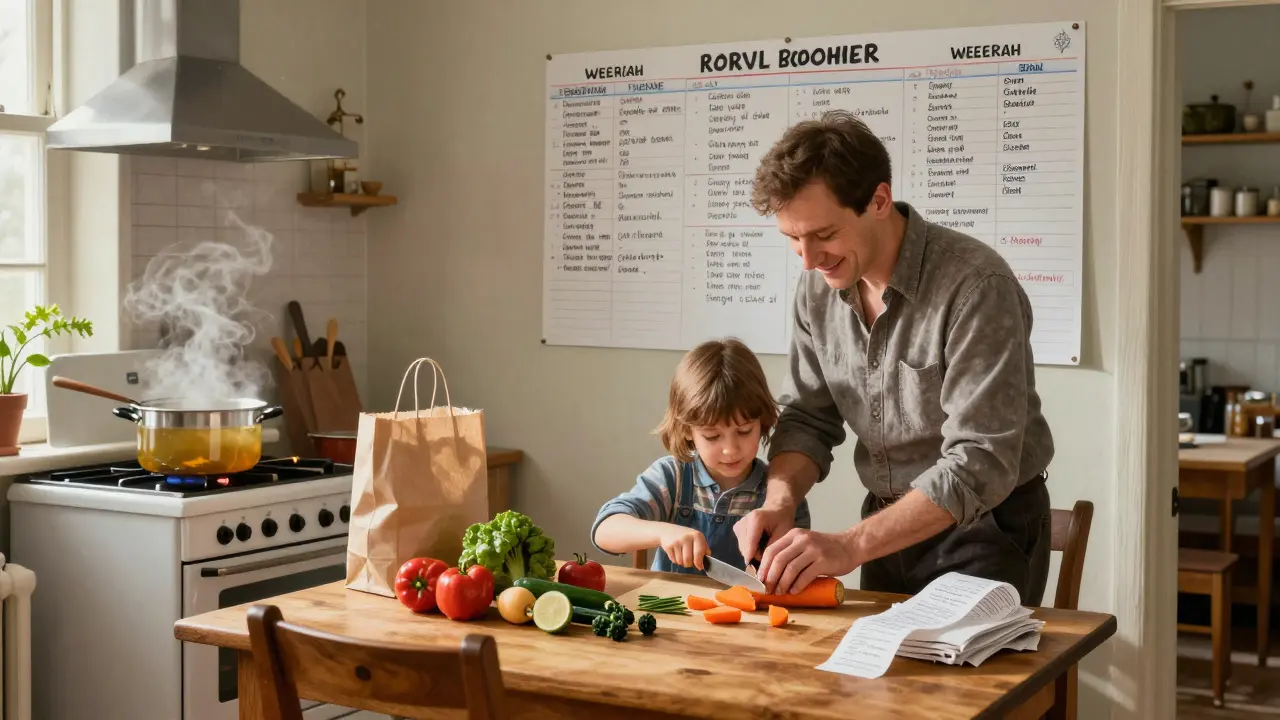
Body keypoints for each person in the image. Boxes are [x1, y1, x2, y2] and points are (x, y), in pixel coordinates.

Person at [734, 110, 1055, 603]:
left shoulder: (976, 286)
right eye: (792, 239)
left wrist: (847, 546)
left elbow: (980, 461)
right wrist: (779, 502)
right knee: (877, 681)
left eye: (822, 234)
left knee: (967, 683)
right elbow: (806, 419)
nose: (807, 259)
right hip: (885, 532)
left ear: (879, 200)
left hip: (987, 530)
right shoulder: (816, 288)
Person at [591, 338, 811, 574]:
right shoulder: (672, 477)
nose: (730, 449)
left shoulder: (781, 492)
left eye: (744, 431)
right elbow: (604, 529)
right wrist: (663, 532)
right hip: (672, 609)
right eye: (712, 436)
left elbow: (796, 566)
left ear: (763, 422)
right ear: (687, 430)